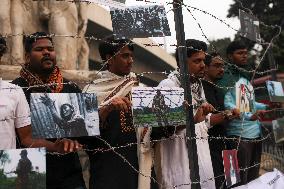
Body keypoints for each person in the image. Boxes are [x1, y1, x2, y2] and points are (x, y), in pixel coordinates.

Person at [12, 32, 86, 189]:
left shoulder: (70, 88)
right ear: (27, 56)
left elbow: (86, 134)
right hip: (30, 175)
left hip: (68, 175)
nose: (46, 52)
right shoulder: (14, 90)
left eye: (50, 49)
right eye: (39, 49)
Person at [83, 36, 143, 189]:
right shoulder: (91, 91)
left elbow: (156, 132)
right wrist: (107, 109)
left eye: (131, 56)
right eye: (125, 56)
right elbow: (85, 137)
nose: (131, 61)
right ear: (109, 59)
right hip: (108, 171)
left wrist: (182, 120)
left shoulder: (139, 89)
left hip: (139, 168)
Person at [156, 39, 216, 189]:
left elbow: (205, 122)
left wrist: (226, 115)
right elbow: (162, 130)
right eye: (197, 61)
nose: (203, 65)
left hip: (200, 157)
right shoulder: (168, 86)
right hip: (179, 162)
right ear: (182, 62)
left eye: (203, 60)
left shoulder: (197, 86)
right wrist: (191, 120)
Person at [218, 40, 268, 186]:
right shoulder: (225, 78)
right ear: (229, 56)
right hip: (236, 138)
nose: (245, 56)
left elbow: (250, 105)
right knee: (233, 180)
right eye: (240, 53)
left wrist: (266, 107)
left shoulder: (244, 78)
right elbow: (228, 105)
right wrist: (249, 115)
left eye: (246, 53)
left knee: (253, 180)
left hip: (255, 136)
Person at [202, 52, 240, 188]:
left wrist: (230, 114)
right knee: (218, 184)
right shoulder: (200, 90)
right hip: (211, 148)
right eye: (217, 66)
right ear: (205, 67)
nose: (221, 69)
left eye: (223, 66)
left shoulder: (217, 88)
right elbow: (206, 120)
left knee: (233, 183)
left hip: (227, 143)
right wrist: (227, 114)